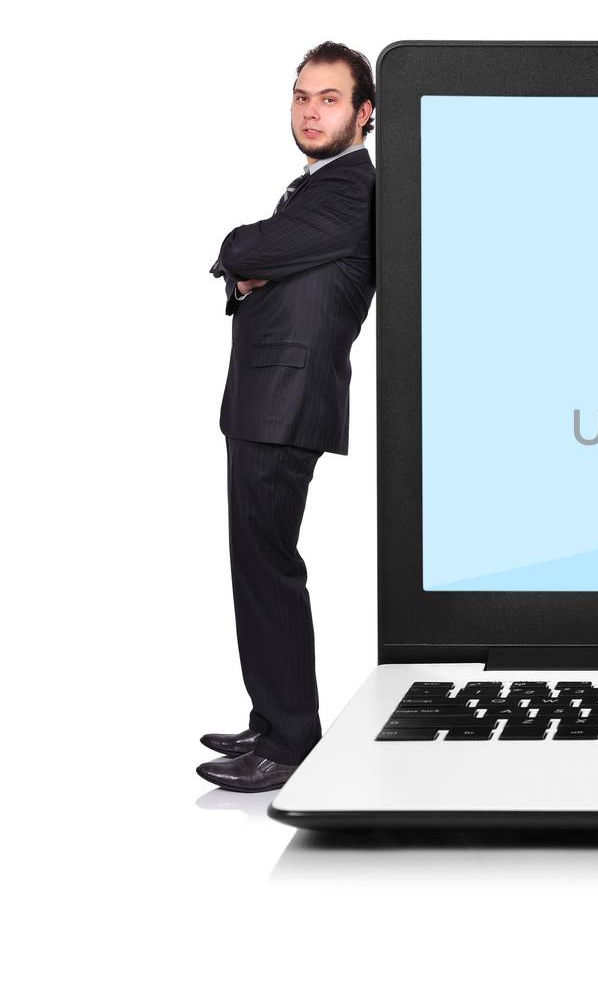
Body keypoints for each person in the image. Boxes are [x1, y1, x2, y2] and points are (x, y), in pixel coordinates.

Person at [198, 41, 377, 792]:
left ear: (365, 114)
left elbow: (248, 250)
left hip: (284, 401)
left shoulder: (349, 189)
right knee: (257, 563)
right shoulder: (314, 188)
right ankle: (271, 718)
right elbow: (259, 269)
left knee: (269, 566)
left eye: (329, 98)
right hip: (268, 399)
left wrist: (241, 251)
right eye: (302, 95)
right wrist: (252, 266)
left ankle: (292, 736)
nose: (310, 109)